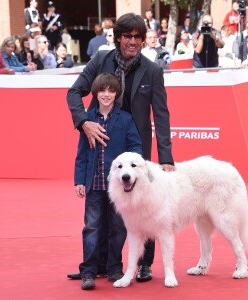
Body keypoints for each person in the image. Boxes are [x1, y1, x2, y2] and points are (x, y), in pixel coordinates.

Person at [66, 12, 175, 284]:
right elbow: (74, 92)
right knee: (104, 206)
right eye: (128, 36)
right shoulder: (100, 60)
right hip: (102, 141)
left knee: (147, 206)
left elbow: (160, 115)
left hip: (136, 149)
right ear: (118, 37)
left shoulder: (152, 70)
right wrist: (84, 123)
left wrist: (166, 158)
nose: (133, 42)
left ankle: (144, 264)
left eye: (138, 37)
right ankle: (98, 264)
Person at [75, 72, 142, 290]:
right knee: (92, 227)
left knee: (118, 227)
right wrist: (79, 180)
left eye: (111, 90)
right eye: (102, 90)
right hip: (94, 183)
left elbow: (136, 148)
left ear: (116, 93)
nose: (106, 94)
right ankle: (88, 271)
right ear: (95, 92)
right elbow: (82, 152)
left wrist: (131, 169)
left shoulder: (125, 119)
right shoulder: (88, 119)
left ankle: (114, 268)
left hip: (120, 187)